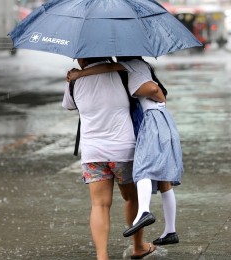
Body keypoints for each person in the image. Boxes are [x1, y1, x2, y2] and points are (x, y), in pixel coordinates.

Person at [67, 56, 183, 246]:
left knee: (142, 169)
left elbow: (151, 88)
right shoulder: (134, 66)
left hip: (144, 125)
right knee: (162, 180)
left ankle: (144, 213)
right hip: (142, 132)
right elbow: (109, 67)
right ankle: (166, 232)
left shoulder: (130, 64)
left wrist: (79, 75)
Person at [62, 57, 155, 260]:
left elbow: (69, 105)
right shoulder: (122, 73)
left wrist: (77, 78)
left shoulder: (74, 80)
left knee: (99, 205)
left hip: (92, 152)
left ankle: (102, 256)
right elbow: (145, 93)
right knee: (132, 198)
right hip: (124, 150)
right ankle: (138, 246)